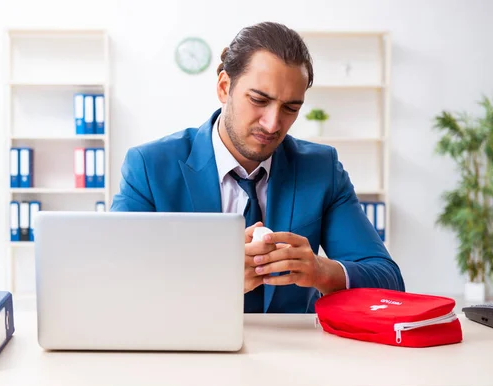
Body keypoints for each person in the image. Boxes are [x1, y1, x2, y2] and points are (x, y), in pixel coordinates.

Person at [111, 21, 405, 313]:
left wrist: (321, 271)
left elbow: (388, 280)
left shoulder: (321, 168)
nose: (273, 123)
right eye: (259, 100)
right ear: (225, 87)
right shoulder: (149, 167)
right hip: (185, 347)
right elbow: (112, 277)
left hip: (293, 352)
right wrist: (210, 272)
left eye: (290, 108)